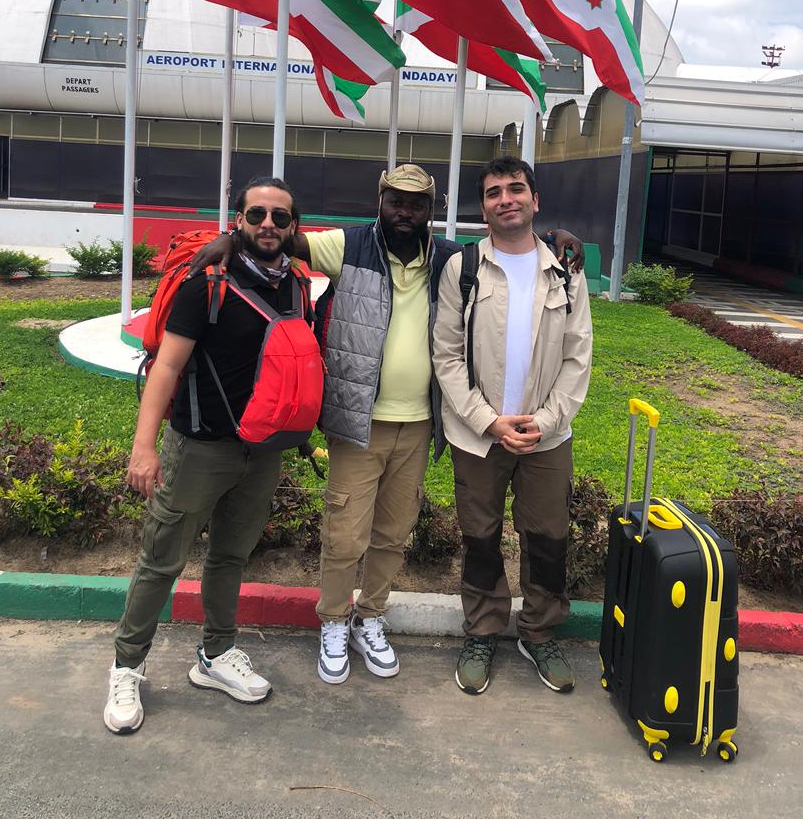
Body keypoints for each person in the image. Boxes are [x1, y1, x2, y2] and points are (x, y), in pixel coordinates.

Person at [190, 164, 584, 687]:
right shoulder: (348, 246)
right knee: (346, 532)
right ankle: (334, 621)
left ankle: (370, 618)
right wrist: (227, 239)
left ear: (431, 210)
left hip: (421, 424)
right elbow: (276, 233)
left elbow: (519, 257)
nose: (405, 212)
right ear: (380, 201)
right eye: (396, 201)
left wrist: (556, 236)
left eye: (416, 204)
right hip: (359, 422)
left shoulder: (449, 258)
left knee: (395, 535)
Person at [104, 176, 309, 734]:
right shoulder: (207, 283)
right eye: (257, 214)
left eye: (280, 218)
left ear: (293, 226)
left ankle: (216, 657)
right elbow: (167, 367)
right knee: (161, 560)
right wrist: (143, 447)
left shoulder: (294, 283)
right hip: (198, 447)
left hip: (261, 451)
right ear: (237, 219)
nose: (268, 225)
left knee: (229, 558)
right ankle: (127, 667)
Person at [432, 157, 592, 697]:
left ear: (535, 200)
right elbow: (447, 357)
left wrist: (543, 423)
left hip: (547, 438)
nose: (507, 198)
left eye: (516, 189)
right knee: (479, 538)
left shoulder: (566, 270)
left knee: (548, 539)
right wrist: (489, 421)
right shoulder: (464, 269)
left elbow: (577, 358)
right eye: (495, 192)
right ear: (484, 207)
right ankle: (482, 631)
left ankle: (539, 632)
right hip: (478, 435)